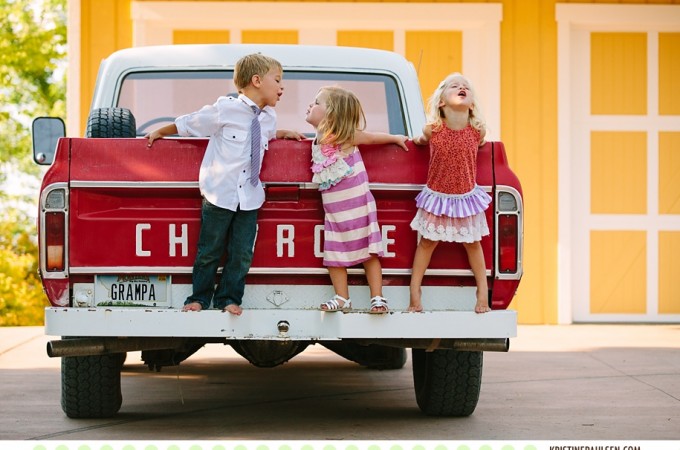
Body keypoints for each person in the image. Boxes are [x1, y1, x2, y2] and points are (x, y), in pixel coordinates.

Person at [146, 53, 304, 315]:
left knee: (241, 253)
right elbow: (191, 122)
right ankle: (198, 297)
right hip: (220, 193)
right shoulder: (225, 109)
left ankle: (229, 298)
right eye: (277, 80)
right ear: (256, 81)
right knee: (209, 250)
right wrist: (161, 132)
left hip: (250, 196)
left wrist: (282, 132)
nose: (282, 87)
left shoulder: (268, 117)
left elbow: (263, 134)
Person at [305, 86, 408, 313]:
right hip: (334, 214)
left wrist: (394, 138)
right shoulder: (316, 141)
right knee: (334, 256)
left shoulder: (345, 137)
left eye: (316, 103)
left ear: (332, 114)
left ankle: (378, 297)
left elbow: (370, 138)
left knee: (369, 254)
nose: (310, 106)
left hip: (359, 207)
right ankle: (342, 298)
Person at [409, 73, 492, 314]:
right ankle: (415, 292)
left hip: (465, 197)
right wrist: (413, 140)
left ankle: (482, 292)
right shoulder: (434, 129)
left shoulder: (477, 132)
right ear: (441, 102)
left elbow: (481, 147)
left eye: (466, 86)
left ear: (472, 103)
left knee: (473, 243)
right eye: (455, 86)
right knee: (426, 242)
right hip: (438, 196)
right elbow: (420, 141)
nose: (462, 87)